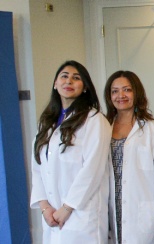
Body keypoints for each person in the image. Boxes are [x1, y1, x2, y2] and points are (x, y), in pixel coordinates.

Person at [30, 60, 112, 243]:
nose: (69, 82)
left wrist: (66, 209)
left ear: (84, 87)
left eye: (76, 78)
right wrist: (45, 207)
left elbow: (92, 171)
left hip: (82, 218)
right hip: (52, 216)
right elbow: (37, 167)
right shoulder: (46, 123)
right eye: (64, 77)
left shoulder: (95, 121)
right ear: (55, 83)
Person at [103, 70, 154, 243]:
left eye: (127, 89)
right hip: (112, 206)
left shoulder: (153, 129)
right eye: (115, 91)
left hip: (143, 210)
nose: (121, 95)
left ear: (137, 93)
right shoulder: (103, 128)